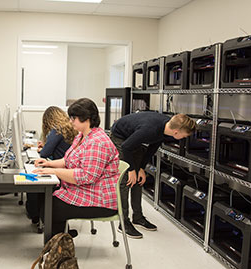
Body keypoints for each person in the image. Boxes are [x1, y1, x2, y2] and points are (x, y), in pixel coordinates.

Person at [33, 98, 120, 239]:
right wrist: (48, 164)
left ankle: (57, 250)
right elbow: (67, 160)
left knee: (51, 208)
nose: (71, 121)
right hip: (86, 190)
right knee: (47, 199)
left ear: (86, 118)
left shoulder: (98, 142)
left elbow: (86, 176)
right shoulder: (81, 136)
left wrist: (55, 172)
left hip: (99, 199)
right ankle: (59, 243)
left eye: (73, 118)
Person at [109, 112, 196, 238]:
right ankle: (124, 223)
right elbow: (126, 147)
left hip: (133, 139)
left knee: (138, 179)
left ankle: (138, 217)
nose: (184, 138)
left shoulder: (167, 127)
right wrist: (131, 170)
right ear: (176, 132)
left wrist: (141, 169)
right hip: (120, 137)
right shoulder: (150, 130)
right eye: (184, 135)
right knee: (126, 181)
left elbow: (152, 149)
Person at [26, 106, 77, 230]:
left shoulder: (57, 130)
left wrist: (44, 148)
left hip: (61, 172)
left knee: (32, 180)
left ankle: (36, 216)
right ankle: (40, 217)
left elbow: (45, 153)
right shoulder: (70, 128)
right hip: (70, 169)